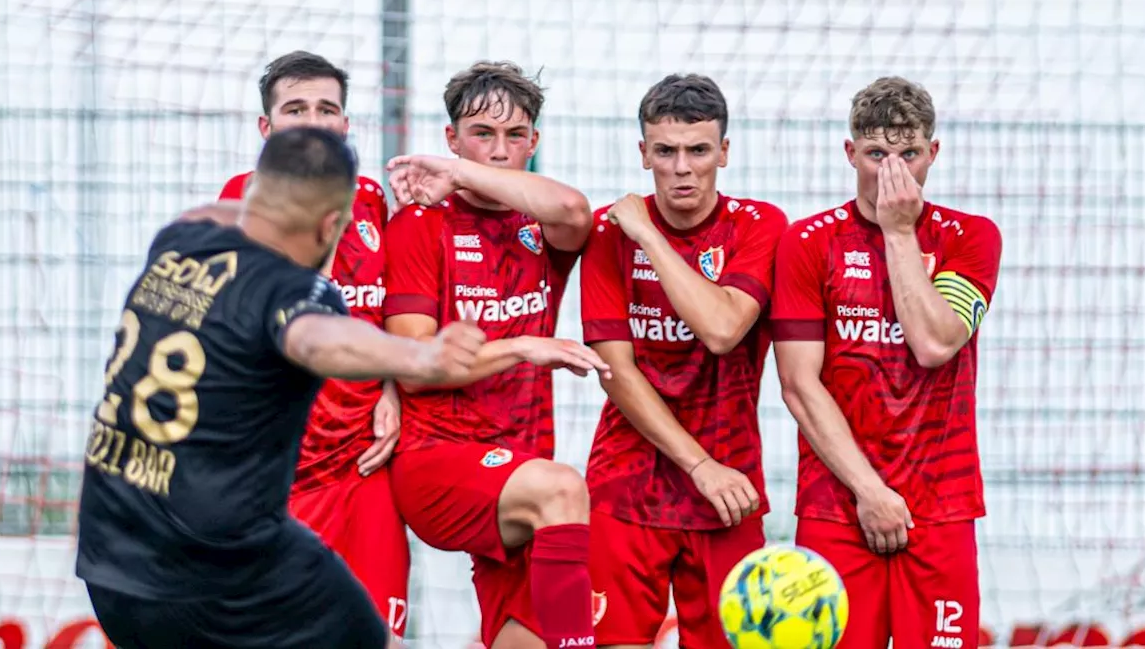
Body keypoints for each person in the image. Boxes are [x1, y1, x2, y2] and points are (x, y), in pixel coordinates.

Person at [75, 127, 486, 649]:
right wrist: (421, 356)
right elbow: (318, 340)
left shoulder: (180, 239)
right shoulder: (293, 291)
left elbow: (221, 216)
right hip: (217, 570)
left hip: (109, 563)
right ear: (331, 226)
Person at [381, 60, 608, 649]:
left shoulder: (540, 224)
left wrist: (462, 173)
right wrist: (522, 347)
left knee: (525, 637)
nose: (500, 150)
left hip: (519, 468)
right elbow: (414, 361)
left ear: (534, 142)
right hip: (439, 459)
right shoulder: (420, 226)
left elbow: (577, 213)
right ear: (452, 139)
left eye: (515, 136)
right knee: (564, 489)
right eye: (482, 135)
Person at [771, 76, 1003, 649]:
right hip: (837, 504)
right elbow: (800, 387)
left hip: (941, 503)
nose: (891, 171)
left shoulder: (970, 237)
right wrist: (869, 492)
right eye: (876, 154)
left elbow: (933, 344)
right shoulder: (808, 243)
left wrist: (899, 233)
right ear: (850, 153)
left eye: (908, 154)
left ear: (934, 153)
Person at [578, 73, 788, 648]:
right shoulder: (606, 232)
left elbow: (722, 329)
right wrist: (697, 464)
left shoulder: (759, 226)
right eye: (665, 150)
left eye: (698, 150)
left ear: (723, 151)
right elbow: (615, 372)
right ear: (643, 153)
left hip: (730, 489)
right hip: (627, 489)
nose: (682, 167)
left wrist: (650, 237)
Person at [218, 51, 410, 639]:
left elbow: (393, 309)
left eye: (327, 109)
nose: (312, 120)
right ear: (266, 127)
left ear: (345, 125)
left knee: (377, 635)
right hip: (277, 475)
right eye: (295, 108)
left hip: (363, 466)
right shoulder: (237, 206)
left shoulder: (375, 200)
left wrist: (392, 387)